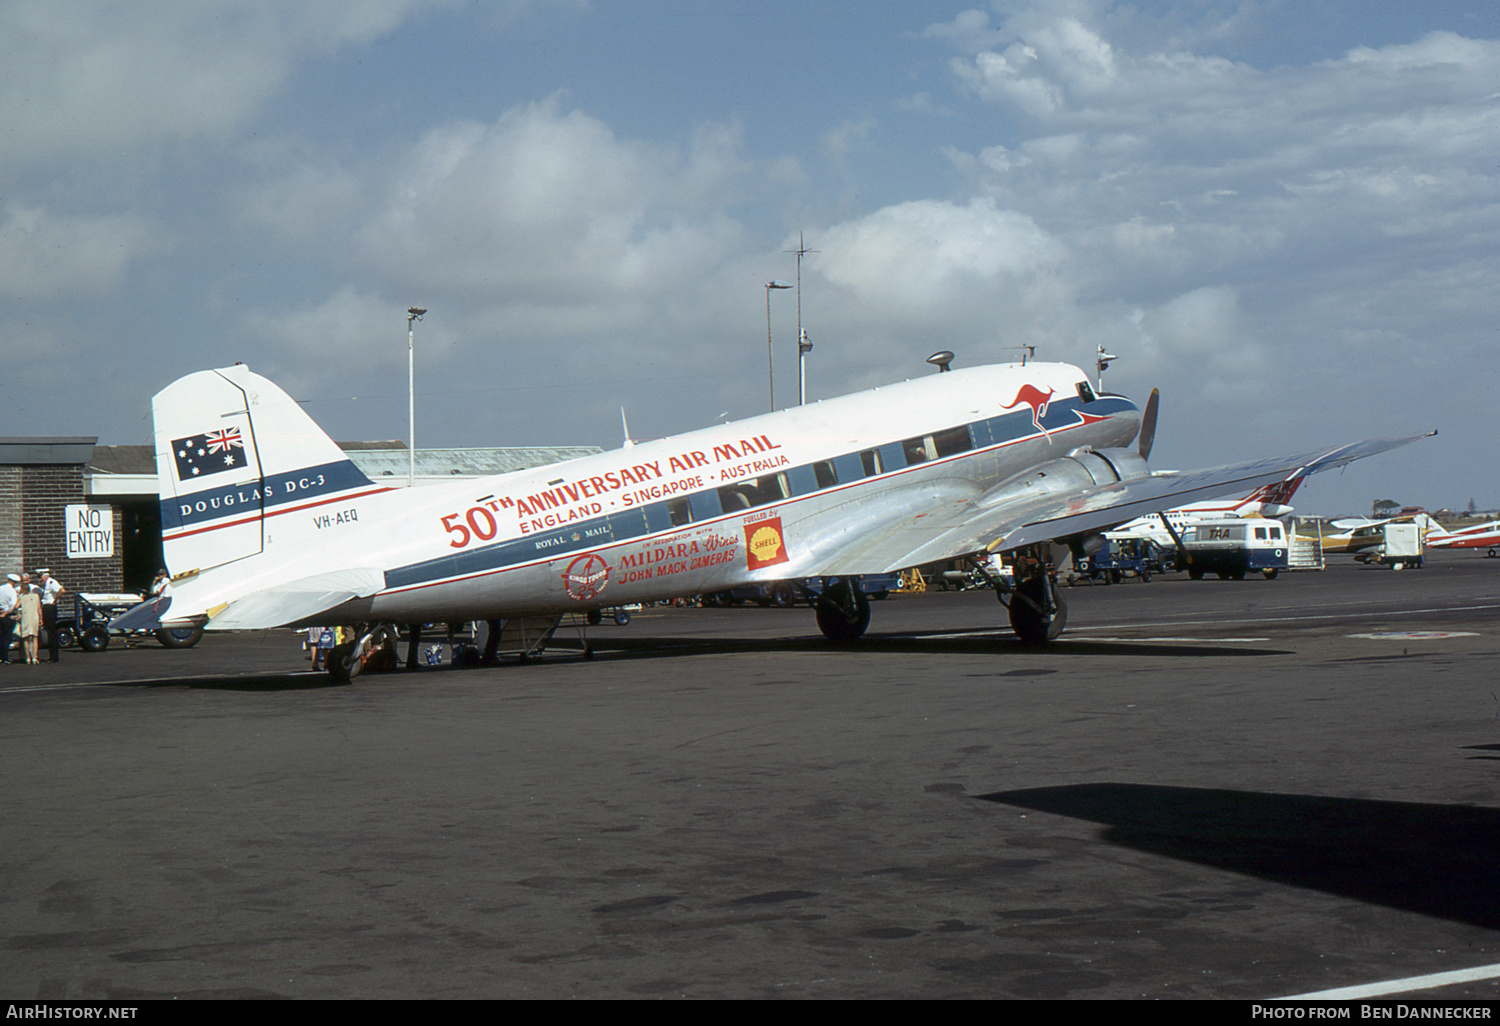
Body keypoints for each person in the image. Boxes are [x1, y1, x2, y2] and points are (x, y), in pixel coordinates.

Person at [36, 569, 64, 663]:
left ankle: (54, 657)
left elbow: (61, 590)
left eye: (40, 577)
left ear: (45, 576)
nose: (40, 580)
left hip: (49, 607)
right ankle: (52, 655)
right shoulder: (47, 583)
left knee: (51, 632)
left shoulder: (51, 582)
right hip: (46, 607)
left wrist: (54, 600)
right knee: (49, 631)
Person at [17, 573, 41, 665]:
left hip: (26, 618)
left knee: (26, 638)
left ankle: (28, 658)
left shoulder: (21, 597)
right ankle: (35, 657)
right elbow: (39, 609)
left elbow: (16, 606)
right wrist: (41, 619)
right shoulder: (36, 596)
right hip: (34, 617)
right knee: (34, 638)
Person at [0, 574, 18, 664]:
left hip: (0, 612)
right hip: (7, 615)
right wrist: (8, 611)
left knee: (1, 636)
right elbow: (13, 604)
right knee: (7, 637)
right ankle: (5, 657)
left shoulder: (1, 588)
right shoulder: (12, 591)